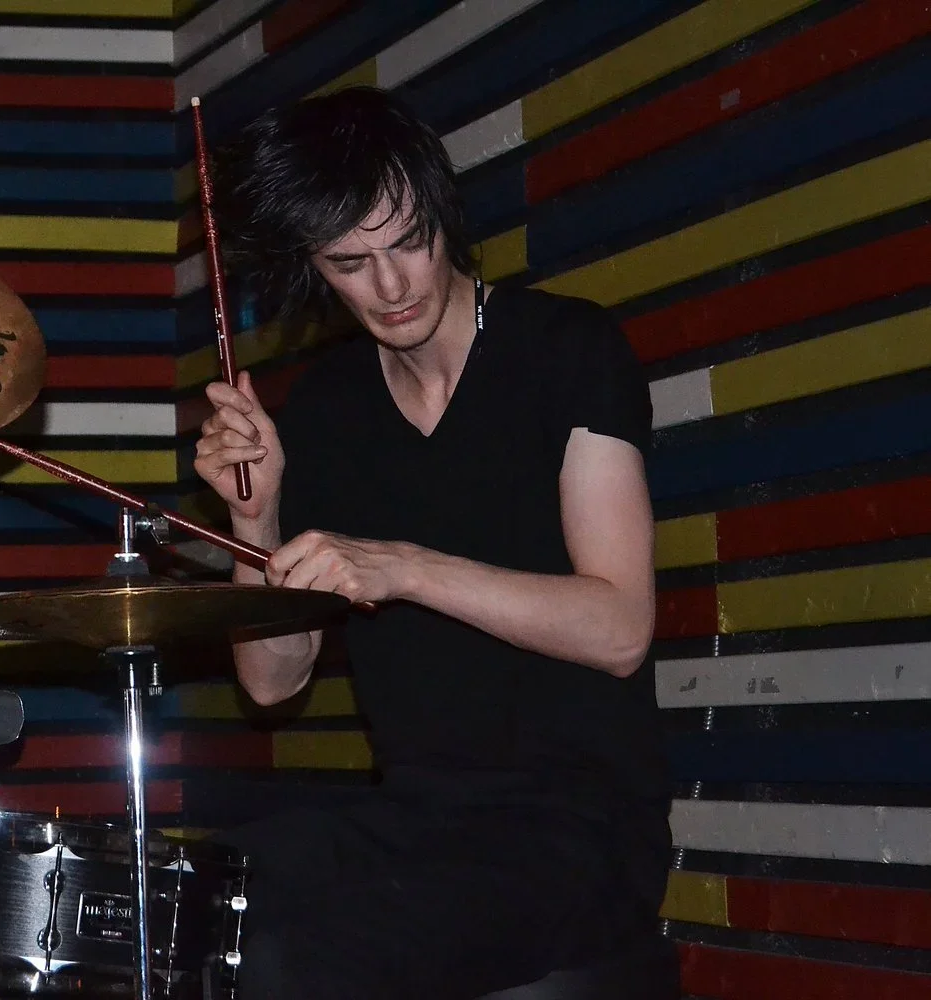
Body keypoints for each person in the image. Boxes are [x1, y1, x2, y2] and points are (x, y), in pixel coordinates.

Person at [193, 87, 673, 999]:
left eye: (408, 240)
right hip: (414, 818)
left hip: (578, 828)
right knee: (184, 903)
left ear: (443, 213)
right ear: (314, 267)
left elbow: (619, 628)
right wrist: (252, 515)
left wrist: (407, 567)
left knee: (303, 963)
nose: (393, 284)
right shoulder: (330, 408)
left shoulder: (568, 350)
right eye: (351, 261)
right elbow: (273, 680)